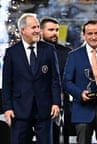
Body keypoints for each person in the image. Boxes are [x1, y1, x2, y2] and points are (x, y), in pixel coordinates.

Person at [1, 13, 61, 144]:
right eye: (34, 27)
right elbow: (7, 83)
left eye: (38, 27)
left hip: (44, 109)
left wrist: (56, 103)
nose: (38, 30)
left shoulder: (49, 50)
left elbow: (55, 79)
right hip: (19, 110)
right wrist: (7, 108)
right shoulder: (12, 53)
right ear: (23, 30)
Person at [40, 16, 72, 144]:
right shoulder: (32, 51)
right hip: (37, 104)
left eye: (57, 30)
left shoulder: (67, 53)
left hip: (62, 104)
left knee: (63, 138)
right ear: (41, 31)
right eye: (51, 30)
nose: (55, 33)